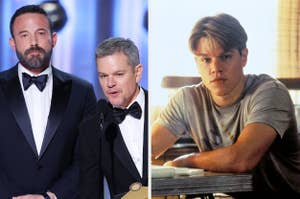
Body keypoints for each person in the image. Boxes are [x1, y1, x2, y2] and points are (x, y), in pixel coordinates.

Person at [151, 13, 300, 197]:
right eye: (206, 59)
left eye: (225, 56)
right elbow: (143, 151)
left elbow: (241, 159)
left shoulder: (270, 92)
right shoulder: (187, 99)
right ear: (196, 63)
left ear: (243, 56)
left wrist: (185, 161)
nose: (215, 68)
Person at [0, 5, 97, 199]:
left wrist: (52, 196)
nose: (33, 42)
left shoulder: (82, 91)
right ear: (13, 43)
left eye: (40, 33)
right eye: (24, 35)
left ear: (53, 39)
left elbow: (88, 157)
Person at [79, 37, 148, 199]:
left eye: (118, 74)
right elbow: (89, 192)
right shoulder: (93, 126)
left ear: (137, 72)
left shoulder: (158, 111)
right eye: (103, 76)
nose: (110, 84)